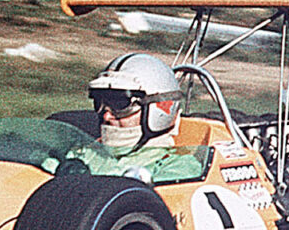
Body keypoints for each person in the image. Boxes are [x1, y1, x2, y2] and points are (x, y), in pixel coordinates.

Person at [65, 54, 205, 182]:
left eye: (120, 104)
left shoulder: (179, 168)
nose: (107, 116)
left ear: (158, 110)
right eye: (99, 103)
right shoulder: (85, 154)